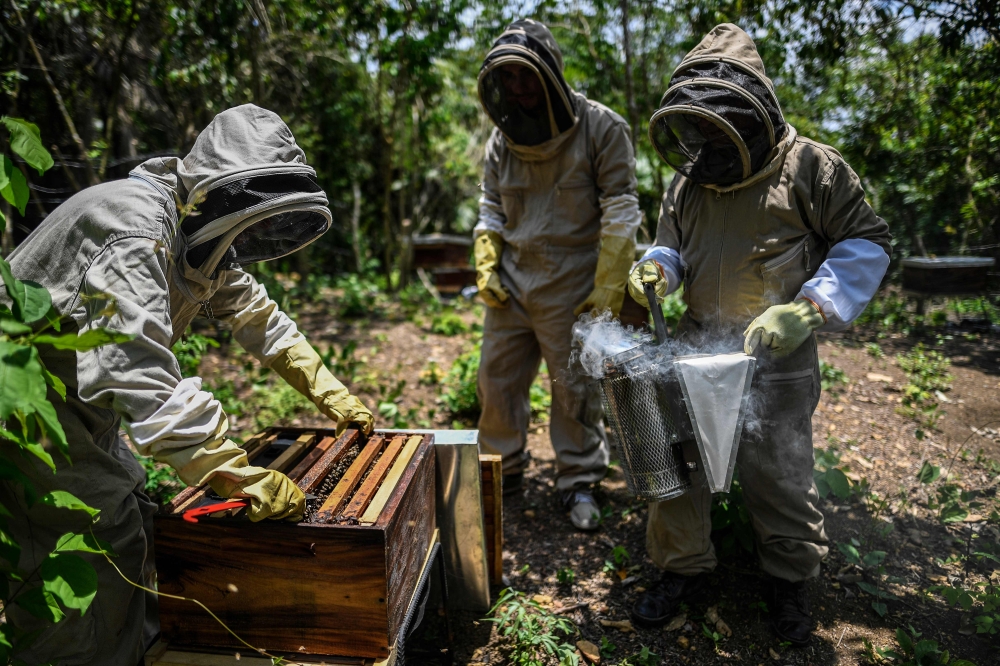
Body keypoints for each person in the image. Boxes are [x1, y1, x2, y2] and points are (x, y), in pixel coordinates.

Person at [1, 104, 374, 665]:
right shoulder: (134, 230)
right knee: (86, 553)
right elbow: (137, 373)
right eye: (252, 219)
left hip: (68, 404)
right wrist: (229, 468)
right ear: (219, 194)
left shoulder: (190, 233)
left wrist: (330, 392)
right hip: (20, 405)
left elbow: (257, 316)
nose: (254, 238)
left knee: (134, 523)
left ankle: (135, 649)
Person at [626, 24, 892, 645]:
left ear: (753, 115)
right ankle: (682, 568)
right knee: (677, 462)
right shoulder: (687, 179)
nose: (708, 144)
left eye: (719, 130)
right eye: (699, 131)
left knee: (779, 470)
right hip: (693, 348)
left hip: (778, 356)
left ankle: (791, 580)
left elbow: (866, 241)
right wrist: (657, 268)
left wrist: (809, 307)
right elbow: (672, 245)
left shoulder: (813, 168)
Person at [473, 19, 642, 531]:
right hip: (512, 282)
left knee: (574, 390)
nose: (519, 89)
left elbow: (621, 206)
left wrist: (610, 281)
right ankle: (502, 472)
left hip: (574, 286)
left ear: (550, 75)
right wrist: (486, 255)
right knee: (495, 380)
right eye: (508, 79)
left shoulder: (602, 127)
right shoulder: (502, 142)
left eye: (526, 77)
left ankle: (579, 481)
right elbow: (490, 206)